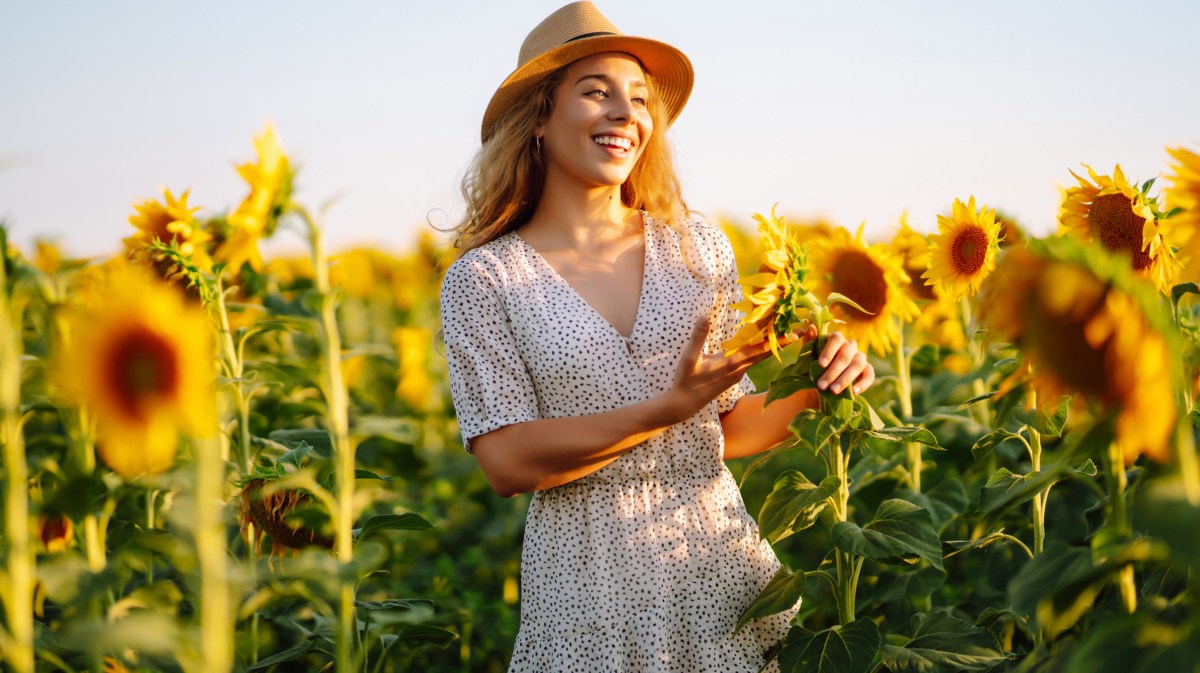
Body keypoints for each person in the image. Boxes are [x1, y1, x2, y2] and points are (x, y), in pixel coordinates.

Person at [439, 3, 875, 671]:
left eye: (639, 99)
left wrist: (819, 385)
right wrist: (662, 411)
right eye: (596, 93)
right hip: (587, 584)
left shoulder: (695, 247)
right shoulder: (485, 278)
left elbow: (725, 430)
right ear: (539, 119)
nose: (626, 114)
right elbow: (507, 459)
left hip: (715, 564)